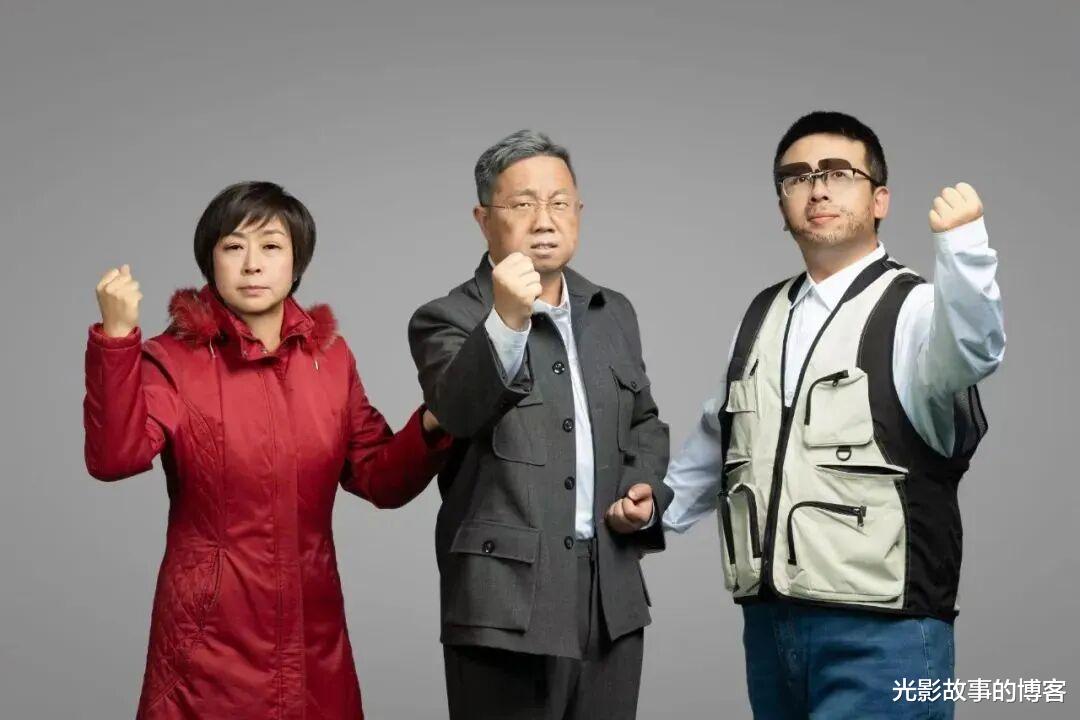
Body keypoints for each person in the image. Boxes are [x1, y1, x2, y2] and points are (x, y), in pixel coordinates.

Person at [662, 111, 1005, 719]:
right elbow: (722, 437)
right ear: (782, 204)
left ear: (880, 200)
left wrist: (964, 251)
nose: (817, 189)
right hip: (770, 628)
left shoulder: (917, 308)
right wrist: (652, 513)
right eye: (797, 177)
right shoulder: (761, 314)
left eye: (839, 173)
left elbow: (974, 350)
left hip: (887, 634)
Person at [83, 181, 451, 719]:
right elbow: (115, 458)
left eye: (271, 246)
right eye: (234, 246)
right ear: (210, 260)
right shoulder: (173, 359)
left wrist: (437, 421)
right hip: (208, 645)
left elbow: (380, 477)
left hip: (313, 637)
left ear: (297, 262)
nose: (252, 264)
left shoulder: (330, 360)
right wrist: (117, 339)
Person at [408, 130, 672, 719]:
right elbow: (457, 412)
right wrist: (506, 320)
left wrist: (646, 491)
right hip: (503, 603)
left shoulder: (612, 311)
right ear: (484, 219)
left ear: (579, 211)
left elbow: (646, 423)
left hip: (610, 598)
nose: (544, 220)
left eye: (559, 203)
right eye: (523, 204)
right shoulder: (446, 318)